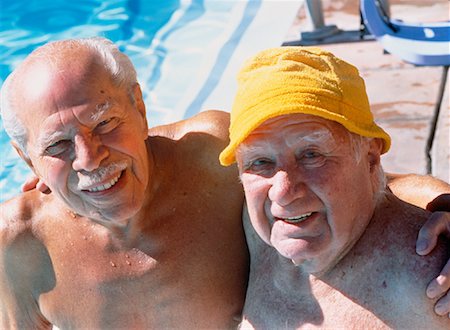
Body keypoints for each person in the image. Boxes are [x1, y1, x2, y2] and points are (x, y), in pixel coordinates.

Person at [0, 38, 448, 329]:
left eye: (105, 123)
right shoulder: (20, 244)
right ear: (27, 160)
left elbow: (360, 175)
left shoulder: (213, 156)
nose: (88, 158)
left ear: (140, 107)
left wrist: (441, 202)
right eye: (57, 145)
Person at [218, 46, 450, 328]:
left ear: (370, 157)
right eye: (260, 162)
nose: (281, 192)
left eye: (311, 155)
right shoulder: (248, 226)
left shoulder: (432, 282)